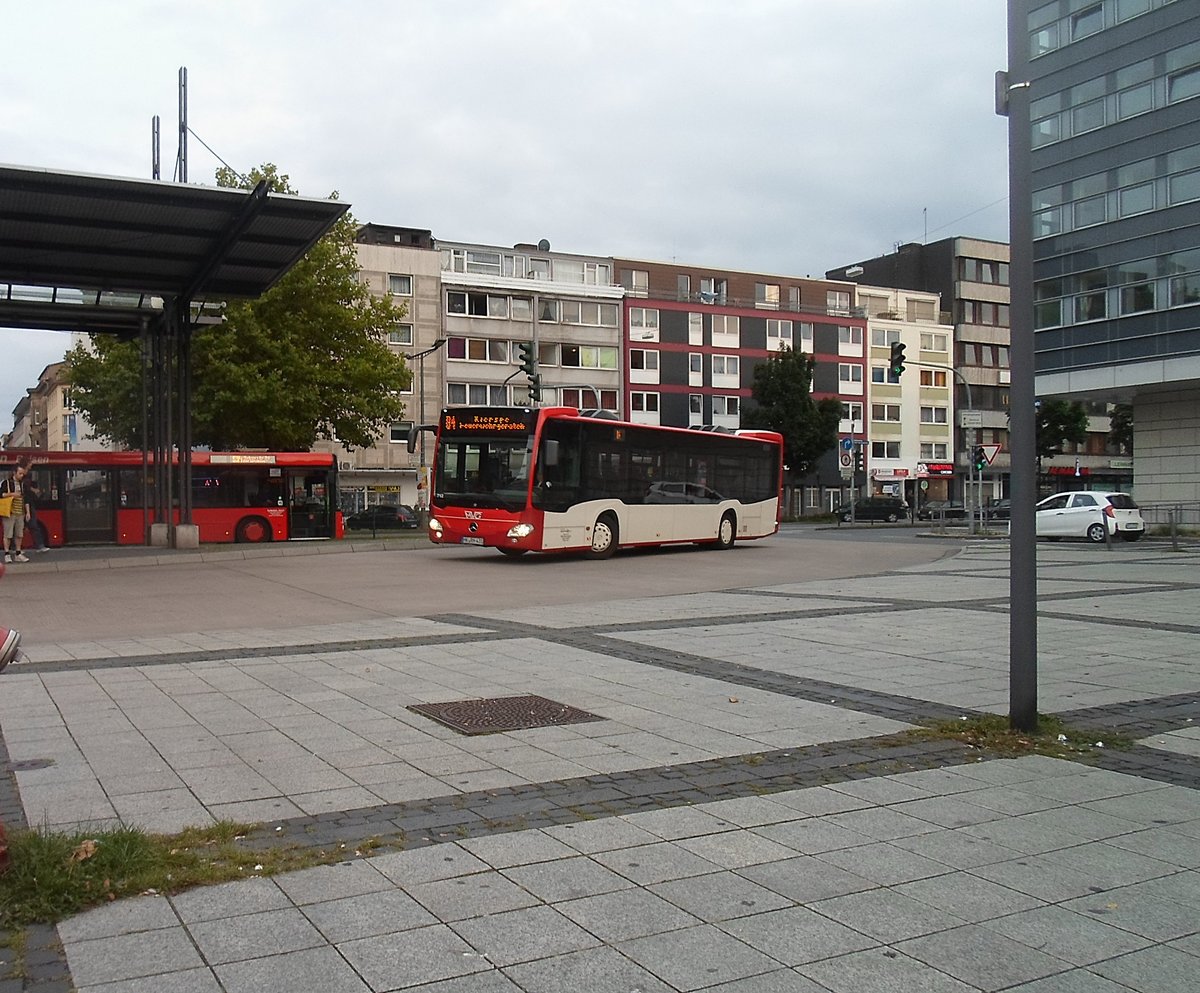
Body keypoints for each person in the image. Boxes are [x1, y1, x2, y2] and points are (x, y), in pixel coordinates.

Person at [1, 461, 30, 564]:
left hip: (20, 512)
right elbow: (2, 495)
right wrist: (13, 494)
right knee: (8, 534)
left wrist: (27, 512)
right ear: (14, 473)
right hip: (9, 512)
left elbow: (26, 499)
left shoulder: (23, 484)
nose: (22, 475)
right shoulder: (6, 483)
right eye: (20, 473)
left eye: (23, 474)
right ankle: (7, 554)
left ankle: (18, 553)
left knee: (19, 534)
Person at [22, 472, 50, 553]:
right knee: (33, 527)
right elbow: (28, 499)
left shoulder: (27, 487)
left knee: (28, 528)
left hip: (27, 508)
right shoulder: (26, 487)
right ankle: (39, 546)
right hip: (27, 508)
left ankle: (17, 548)